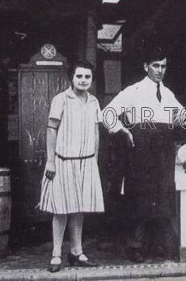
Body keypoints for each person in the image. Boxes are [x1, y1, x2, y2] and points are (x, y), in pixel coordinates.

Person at [103, 45, 186, 263]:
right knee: (141, 196)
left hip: (164, 149)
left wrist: (181, 117)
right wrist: (123, 131)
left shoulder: (167, 93)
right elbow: (107, 114)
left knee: (161, 196)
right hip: (142, 149)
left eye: (164, 66)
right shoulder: (133, 91)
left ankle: (156, 245)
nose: (160, 70)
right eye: (156, 65)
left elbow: (183, 114)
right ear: (146, 66)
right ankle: (135, 246)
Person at [39, 60, 104, 272]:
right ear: (71, 78)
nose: (83, 80)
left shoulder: (93, 101)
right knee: (61, 209)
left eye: (87, 77)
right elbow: (51, 129)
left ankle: (77, 251)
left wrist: (94, 160)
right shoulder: (61, 99)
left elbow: (95, 132)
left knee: (79, 208)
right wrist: (51, 160)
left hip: (86, 161)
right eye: (79, 76)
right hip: (63, 161)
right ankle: (56, 254)